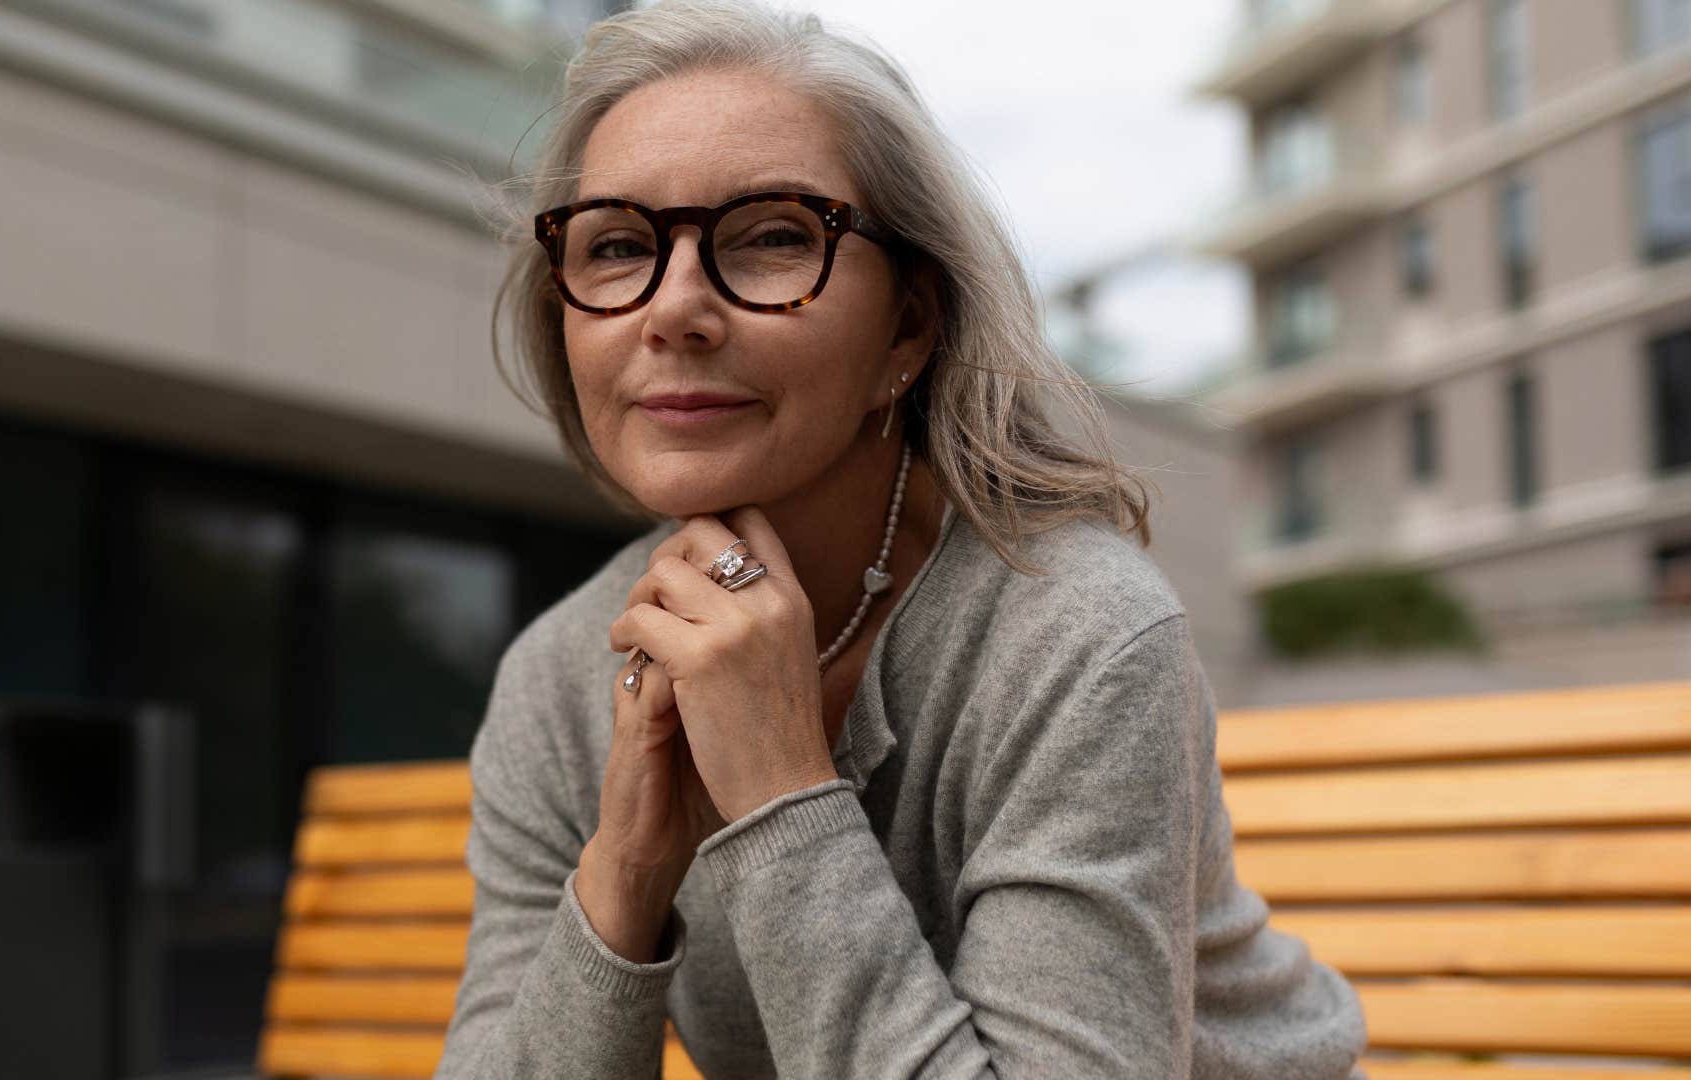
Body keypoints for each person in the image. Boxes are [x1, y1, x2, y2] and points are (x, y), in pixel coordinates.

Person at [433, 2, 1369, 1076]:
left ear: (909, 328)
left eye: (775, 236)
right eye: (616, 246)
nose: (673, 308)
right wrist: (624, 878)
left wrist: (779, 794)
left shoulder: (1077, 636)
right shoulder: (560, 680)